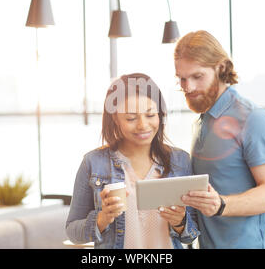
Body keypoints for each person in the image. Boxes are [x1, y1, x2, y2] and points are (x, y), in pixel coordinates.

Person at [174, 30, 265, 249]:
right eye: (182, 79)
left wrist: (221, 204)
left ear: (221, 68)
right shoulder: (203, 120)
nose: (188, 87)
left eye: (197, 76)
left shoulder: (253, 119)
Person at [66, 73, 200, 249]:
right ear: (115, 118)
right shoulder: (93, 163)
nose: (143, 125)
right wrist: (102, 219)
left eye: (150, 115)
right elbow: (72, 232)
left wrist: (180, 222)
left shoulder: (180, 160)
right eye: (131, 118)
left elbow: (192, 233)